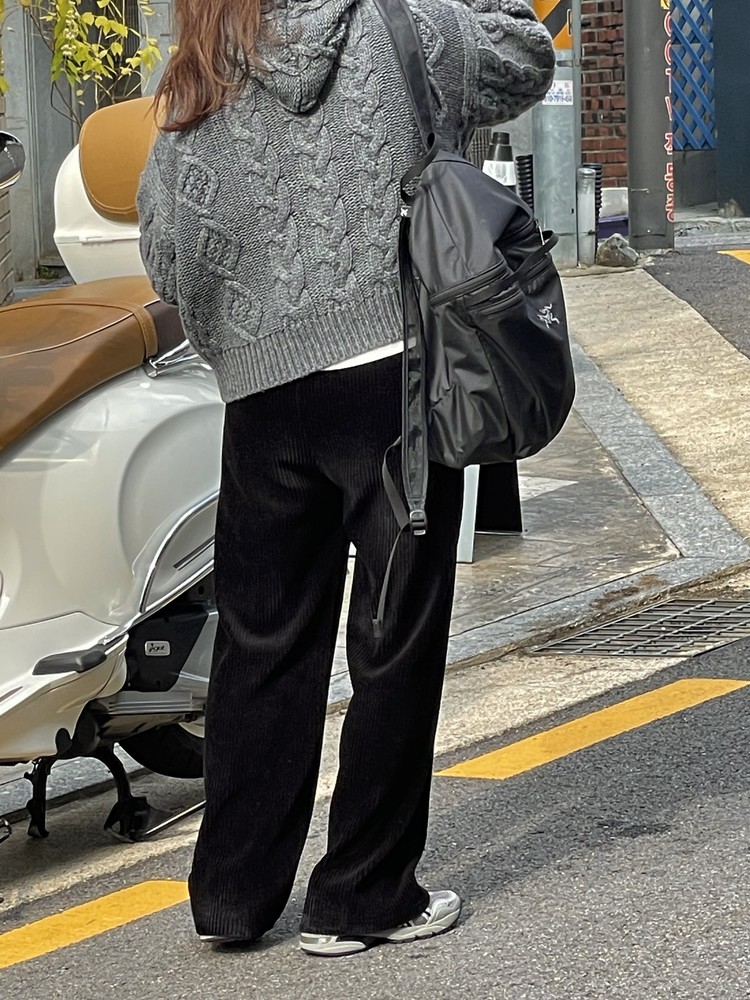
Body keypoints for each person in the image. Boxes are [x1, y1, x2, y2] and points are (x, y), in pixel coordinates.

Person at [137, 0, 554, 958]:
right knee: (392, 639)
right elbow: (526, 53)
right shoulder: (412, 25)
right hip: (396, 381)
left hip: (263, 397)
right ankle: (362, 896)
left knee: (261, 645)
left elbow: (166, 251)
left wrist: (249, 322)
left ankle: (233, 897)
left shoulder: (203, 61)